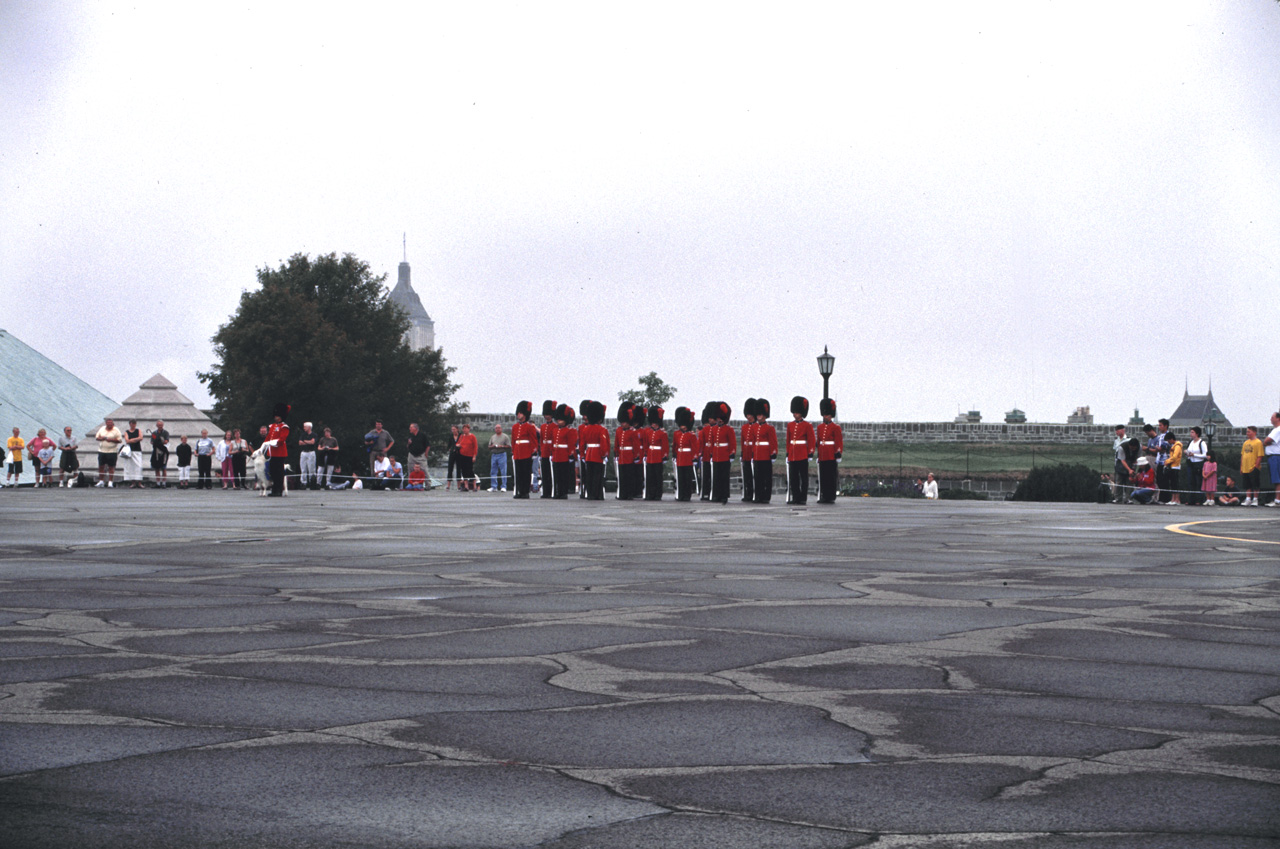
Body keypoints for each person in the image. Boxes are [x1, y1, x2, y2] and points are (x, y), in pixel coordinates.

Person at [786, 396, 815, 505]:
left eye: (797, 412)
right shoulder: (790, 425)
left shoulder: (807, 425)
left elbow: (811, 439)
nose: (795, 414)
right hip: (793, 454)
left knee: (803, 478)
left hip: (802, 454)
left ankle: (802, 498)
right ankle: (795, 497)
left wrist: (810, 452)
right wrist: (788, 453)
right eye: (794, 412)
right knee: (793, 478)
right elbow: (788, 440)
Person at [579, 401, 610, 500]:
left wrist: (582, 455)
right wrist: (604, 454)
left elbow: (582, 444)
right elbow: (604, 445)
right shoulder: (602, 430)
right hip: (597, 455)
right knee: (598, 476)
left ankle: (590, 494)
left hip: (588, 454)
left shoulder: (585, 429)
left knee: (589, 476)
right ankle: (597, 494)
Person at [815, 398, 843, 504]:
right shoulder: (820, 427)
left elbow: (838, 441)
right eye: (824, 414)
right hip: (823, 454)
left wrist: (838, 453)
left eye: (827, 415)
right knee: (823, 476)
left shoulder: (835, 427)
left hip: (831, 454)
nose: (825, 416)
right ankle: (824, 495)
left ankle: (830, 496)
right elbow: (818, 441)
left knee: (831, 477)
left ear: (831, 415)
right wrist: (818, 454)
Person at [751, 398, 777, 504]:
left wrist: (773, 453)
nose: (758, 417)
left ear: (765, 415)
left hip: (766, 455)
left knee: (766, 477)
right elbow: (753, 441)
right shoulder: (754, 427)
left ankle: (766, 496)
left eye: (760, 415)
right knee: (758, 477)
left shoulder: (769, 428)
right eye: (758, 415)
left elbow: (773, 442)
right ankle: (758, 496)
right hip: (757, 455)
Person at [708, 402, 734, 504]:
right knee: (716, 476)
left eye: (720, 418)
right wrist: (711, 453)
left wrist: (732, 453)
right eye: (717, 418)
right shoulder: (713, 429)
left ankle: (724, 496)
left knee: (724, 477)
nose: (719, 420)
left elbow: (732, 442)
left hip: (724, 455)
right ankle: (717, 495)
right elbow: (712, 442)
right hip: (716, 455)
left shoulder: (728, 429)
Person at [510, 401, 538, 499]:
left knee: (526, 473)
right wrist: (513, 451)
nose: (518, 415)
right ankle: (520, 491)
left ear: (525, 414)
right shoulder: (515, 427)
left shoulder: (529, 427)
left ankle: (525, 491)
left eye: (520, 413)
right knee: (518, 473)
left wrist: (533, 451)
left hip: (526, 451)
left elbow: (533, 440)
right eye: (518, 413)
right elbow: (513, 440)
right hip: (518, 451)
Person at [673, 406, 700, 502]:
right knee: (680, 478)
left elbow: (694, 447)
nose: (682, 427)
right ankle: (681, 495)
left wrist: (695, 457)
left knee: (687, 479)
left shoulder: (691, 435)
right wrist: (674, 454)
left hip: (688, 458)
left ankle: (687, 495)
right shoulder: (677, 434)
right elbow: (675, 446)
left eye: (684, 425)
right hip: (680, 458)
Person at [551, 405, 577, 499]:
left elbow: (571, 444)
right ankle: (558, 492)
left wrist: (570, 454)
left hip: (564, 455)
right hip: (557, 455)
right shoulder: (555, 430)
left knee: (564, 475)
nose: (559, 421)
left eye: (561, 420)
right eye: (558, 420)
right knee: (557, 475)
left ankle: (563, 492)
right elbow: (553, 443)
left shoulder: (570, 431)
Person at [644, 405, 670, 501]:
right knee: (650, 477)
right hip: (650, 456)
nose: (653, 425)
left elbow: (665, 446)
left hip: (658, 456)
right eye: (652, 423)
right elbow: (646, 444)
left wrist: (665, 456)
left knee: (657, 477)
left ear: (658, 423)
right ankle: (650, 494)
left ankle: (658, 495)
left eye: (655, 423)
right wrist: (645, 454)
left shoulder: (662, 433)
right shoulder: (649, 432)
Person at [266, 403, 290, 496]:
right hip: (272, 452)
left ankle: (279, 490)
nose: (275, 417)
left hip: (280, 452)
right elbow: (268, 437)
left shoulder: (284, 427)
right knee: (272, 471)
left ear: (280, 417)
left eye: (276, 416)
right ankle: (274, 489)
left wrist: (274, 443)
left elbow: (282, 439)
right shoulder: (272, 426)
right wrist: (264, 446)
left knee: (279, 472)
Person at [94, 418, 123, 487]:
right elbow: (97, 437)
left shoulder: (116, 430)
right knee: (101, 466)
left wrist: (111, 440)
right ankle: (101, 481)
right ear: (106, 423)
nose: (110, 424)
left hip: (112, 451)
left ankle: (110, 481)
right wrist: (102, 438)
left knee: (111, 466)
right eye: (108, 423)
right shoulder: (102, 429)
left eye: (111, 423)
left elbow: (119, 440)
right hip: (102, 450)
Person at [1240, 425, 1264, 506]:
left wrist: (1256, 466)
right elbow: (1243, 455)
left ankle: (1255, 499)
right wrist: (1241, 466)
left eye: (1249, 431)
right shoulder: (1245, 443)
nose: (1247, 433)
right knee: (1247, 485)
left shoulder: (1258, 442)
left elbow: (1260, 455)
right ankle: (1248, 499)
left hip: (1253, 467)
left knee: (1255, 484)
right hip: (1245, 467)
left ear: (1254, 432)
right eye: (1247, 431)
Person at [538, 402, 557, 499]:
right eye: (546, 414)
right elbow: (541, 440)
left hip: (550, 451)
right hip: (544, 451)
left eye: (548, 414)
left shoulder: (554, 426)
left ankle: (551, 491)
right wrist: (541, 450)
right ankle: (545, 491)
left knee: (550, 473)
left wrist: (552, 451)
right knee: (544, 473)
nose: (547, 416)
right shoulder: (543, 426)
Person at [1184, 426, 1207, 506]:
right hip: (1191, 463)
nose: (1191, 434)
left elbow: (1205, 455)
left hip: (1198, 463)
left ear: (1197, 433)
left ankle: (1199, 499)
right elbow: (1189, 451)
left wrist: (1195, 455)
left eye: (1192, 432)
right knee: (1191, 482)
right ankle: (1191, 499)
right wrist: (1187, 453)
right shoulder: (1191, 442)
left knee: (1198, 482)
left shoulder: (1202, 443)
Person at [740, 398, 757, 503]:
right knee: (746, 476)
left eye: (750, 415)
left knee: (754, 476)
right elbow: (742, 441)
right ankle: (747, 494)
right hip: (746, 453)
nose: (748, 417)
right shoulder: (745, 427)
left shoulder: (757, 426)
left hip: (753, 452)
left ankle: (754, 494)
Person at [1112, 424, 1134, 504]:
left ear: (1122, 430)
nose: (1116, 432)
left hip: (1127, 462)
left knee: (1128, 481)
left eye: (1118, 430)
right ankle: (1118, 498)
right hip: (1118, 463)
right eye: (1116, 430)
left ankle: (1128, 498)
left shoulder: (1128, 440)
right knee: (1118, 481)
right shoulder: (1116, 440)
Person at [488, 423, 511, 492]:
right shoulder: (493, 437)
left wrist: (502, 446)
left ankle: (503, 486)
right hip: (494, 454)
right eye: (496, 428)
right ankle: (494, 486)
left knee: (503, 470)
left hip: (502, 454)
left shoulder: (505, 436)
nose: (497, 429)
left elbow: (509, 446)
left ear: (501, 429)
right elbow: (489, 446)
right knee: (493, 471)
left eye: (499, 428)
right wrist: (493, 446)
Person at [405, 423, 430, 487]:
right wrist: (408, 443)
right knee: (410, 470)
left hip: (421, 455)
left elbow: (428, 445)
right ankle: (410, 484)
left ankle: (428, 485)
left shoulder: (422, 435)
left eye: (411, 427)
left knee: (424, 470)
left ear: (415, 428)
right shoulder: (410, 436)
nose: (409, 429)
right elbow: (407, 446)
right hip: (412, 455)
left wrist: (426, 453)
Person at [456, 423, 478, 492]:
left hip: (470, 456)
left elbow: (475, 447)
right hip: (462, 455)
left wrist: (474, 456)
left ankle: (474, 486)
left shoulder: (472, 437)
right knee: (463, 470)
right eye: (463, 429)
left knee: (470, 470)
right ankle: (466, 486)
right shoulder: (462, 436)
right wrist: (458, 445)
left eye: (466, 429)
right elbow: (458, 443)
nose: (464, 430)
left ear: (469, 429)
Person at [1264, 412, 1280, 508]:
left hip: (1275, 456)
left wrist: (1266, 443)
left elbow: (1267, 441)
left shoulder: (1278, 430)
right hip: (1274, 456)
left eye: (1272, 417)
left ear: (1278, 418)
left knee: (1277, 479)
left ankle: (1277, 500)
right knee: (1276, 479)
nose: (1271, 419)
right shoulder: (1275, 430)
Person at [122, 420, 144, 488]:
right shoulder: (127, 432)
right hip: (130, 451)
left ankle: (139, 482)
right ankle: (133, 482)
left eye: (134, 424)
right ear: (129, 424)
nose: (133, 425)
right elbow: (127, 440)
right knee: (130, 467)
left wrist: (132, 440)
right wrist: (135, 439)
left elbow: (141, 438)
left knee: (139, 466)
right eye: (132, 424)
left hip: (137, 450)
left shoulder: (138, 430)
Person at [1164, 430, 1184, 505]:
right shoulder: (1174, 446)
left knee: (1175, 484)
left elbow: (1175, 457)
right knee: (1173, 484)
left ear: (1171, 439)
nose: (1168, 442)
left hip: (1175, 466)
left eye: (1168, 440)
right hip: (1172, 466)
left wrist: (1167, 461)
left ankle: (1176, 499)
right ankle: (1173, 499)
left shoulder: (1177, 446)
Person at [297, 422, 318, 490]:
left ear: (309, 427)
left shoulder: (314, 435)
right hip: (304, 452)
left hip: (311, 452)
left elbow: (313, 442)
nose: (304, 428)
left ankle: (312, 482)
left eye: (305, 427)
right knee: (303, 468)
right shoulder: (303, 434)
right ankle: (303, 483)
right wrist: (308, 442)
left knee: (311, 468)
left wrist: (305, 441)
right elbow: (300, 443)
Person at [150, 420, 170, 488]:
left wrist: (161, 441)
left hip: (163, 452)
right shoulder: (154, 433)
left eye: (161, 425)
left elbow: (166, 441)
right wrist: (156, 441)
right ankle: (158, 483)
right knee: (156, 468)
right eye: (158, 425)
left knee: (163, 468)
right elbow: (152, 442)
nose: (160, 426)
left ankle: (164, 483)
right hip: (156, 452)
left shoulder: (166, 433)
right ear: (156, 426)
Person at [446, 424, 461, 491]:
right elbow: (448, 446)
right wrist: (451, 449)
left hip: (459, 454)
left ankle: (459, 485)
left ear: (457, 429)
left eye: (454, 429)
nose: (453, 431)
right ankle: (448, 485)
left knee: (459, 469)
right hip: (452, 454)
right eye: (452, 429)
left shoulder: (461, 436)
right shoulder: (450, 437)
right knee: (450, 469)